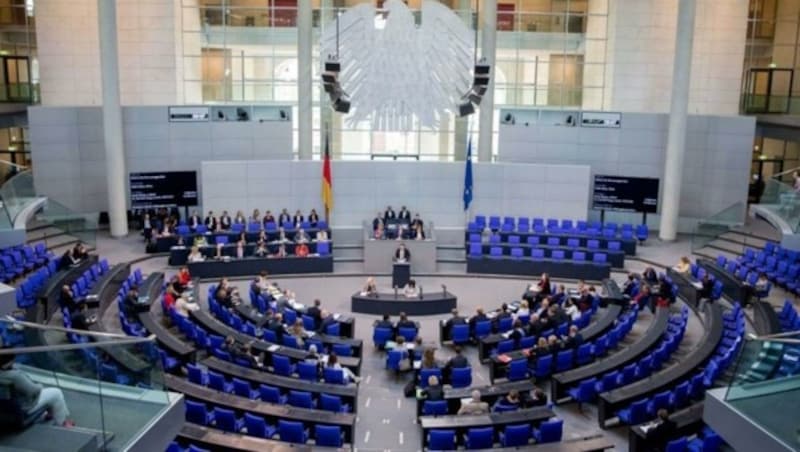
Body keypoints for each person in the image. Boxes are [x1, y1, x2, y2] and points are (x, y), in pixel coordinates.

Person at [0, 350, 74, 427]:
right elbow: (33, 391)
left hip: (4, 408)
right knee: (56, 393)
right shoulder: (15, 376)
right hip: (23, 408)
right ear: (9, 361)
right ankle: (61, 423)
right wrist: (40, 386)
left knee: (47, 395)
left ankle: (51, 414)